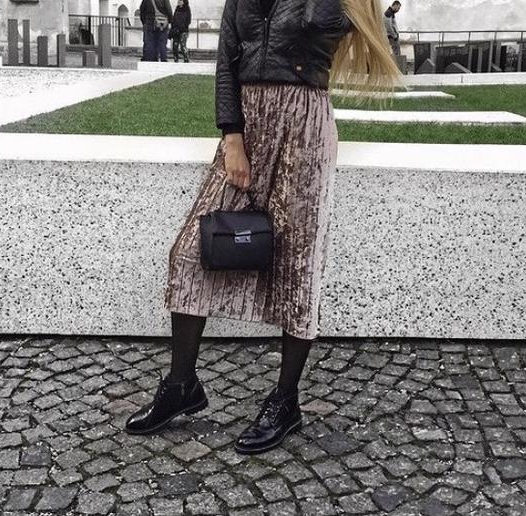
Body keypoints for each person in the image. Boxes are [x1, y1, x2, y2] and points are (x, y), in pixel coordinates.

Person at [124, 0, 401, 455]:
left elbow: (322, 22)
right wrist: (231, 136)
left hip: (304, 128)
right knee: (190, 252)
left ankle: (285, 401)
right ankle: (181, 385)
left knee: (297, 264)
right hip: (247, 129)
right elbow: (226, 63)